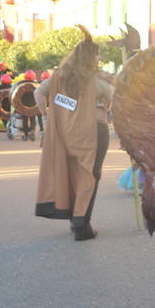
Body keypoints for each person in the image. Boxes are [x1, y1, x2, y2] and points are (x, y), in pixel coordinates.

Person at [34, 30, 112, 240]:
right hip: (94, 131)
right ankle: (81, 223)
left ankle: (74, 218)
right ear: (90, 58)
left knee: (73, 173)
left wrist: (49, 115)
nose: (99, 59)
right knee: (90, 176)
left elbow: (38, 93)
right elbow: (114, 98)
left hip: (68, 133)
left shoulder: (59, 76)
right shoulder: (95, 80)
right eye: (97, 56)